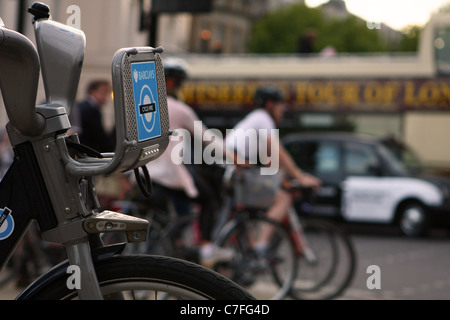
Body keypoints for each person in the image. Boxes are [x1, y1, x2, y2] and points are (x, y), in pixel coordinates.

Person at [137, 58, 237, 267]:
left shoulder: (141, 104)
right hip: (167, 174)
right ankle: (207, 248)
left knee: (178, 214)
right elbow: (208, 139)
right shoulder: (179, 109)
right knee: (208, 199)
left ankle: (177, 246)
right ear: (174, 84)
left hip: (140, 173)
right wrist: (237, 159)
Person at [226, 84, 322, 252]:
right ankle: (260, 246)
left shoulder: (255, 119)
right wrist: (300, 177)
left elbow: (270, 160)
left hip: (233, 170)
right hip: (233, 170)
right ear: (270, 104)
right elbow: (278, 152)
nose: (282, 110)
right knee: (283, 199)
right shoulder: (263, 118)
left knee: (257, 209)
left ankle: (249, 251)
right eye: (280, 105)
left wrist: (283, 179)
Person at [71, 80, 115, 153]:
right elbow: (99, 136)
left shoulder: (82, 106)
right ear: (92, 91)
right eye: (104, 92)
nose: (106, 96)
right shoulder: (91, 109)